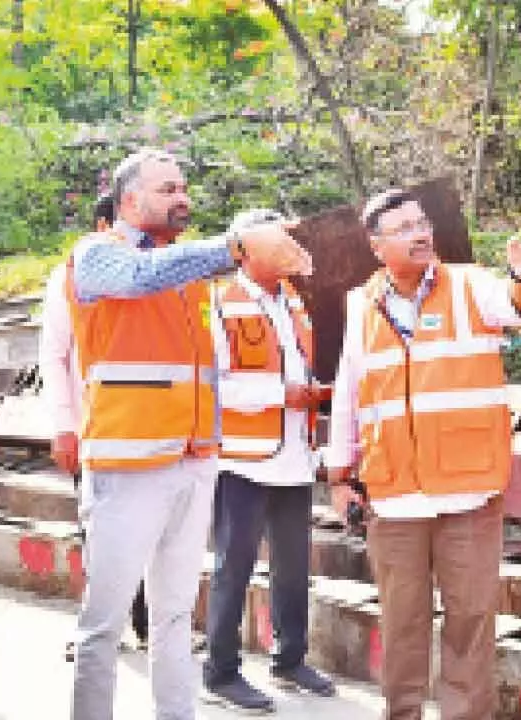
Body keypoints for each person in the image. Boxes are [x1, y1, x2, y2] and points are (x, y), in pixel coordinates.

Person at [68, 148, 310, 720]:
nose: (182, 198)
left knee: (175, 619)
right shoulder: (98, 255)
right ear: (130, 200)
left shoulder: (192, 280)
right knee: (102, 628)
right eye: (166, 189)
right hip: (127, 474)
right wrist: (233, 246)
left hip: (193, 466)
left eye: (183, 187)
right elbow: (137, 279)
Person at [323, 188, 521, 720]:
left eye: (423, 223)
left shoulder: (471, 286)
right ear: (375, 245)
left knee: (469, 623)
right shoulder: (360, 305)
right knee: (401, 623)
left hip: (468, 495)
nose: (420, 234)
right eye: (405, 228)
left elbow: (516, 308)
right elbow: (348, 394)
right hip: (393, 498)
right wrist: (340, 477)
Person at [201, 208, 335, 712]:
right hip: (243, 462)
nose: (291, 246)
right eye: (281, 238)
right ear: (249, 247)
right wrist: (285, 394)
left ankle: (290, 658)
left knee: (293, 567)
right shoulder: (220, 301)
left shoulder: (293, 301)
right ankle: (220, 672)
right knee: (232, 569)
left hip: (294, 457)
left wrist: (309, 396)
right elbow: (215, 385)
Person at [42, 193, 150, 659]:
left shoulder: (156, 271)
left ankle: (149, 626)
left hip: (151, 432)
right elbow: (54, 354)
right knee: (103, 537)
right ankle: (99, 630)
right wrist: (64, 426)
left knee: (151, 534)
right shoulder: (72, 275)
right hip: (97, 431)